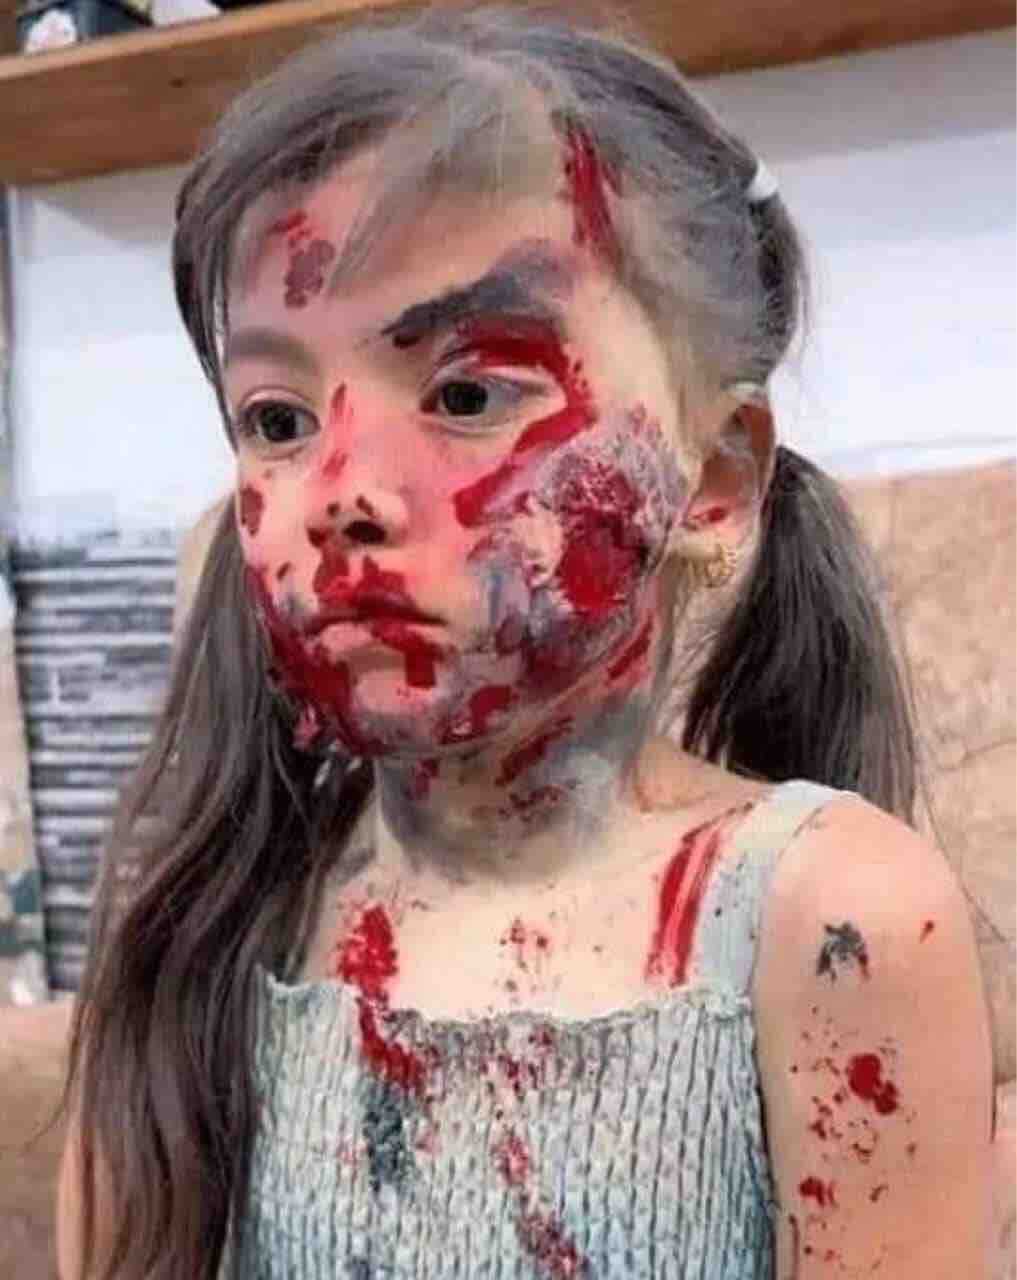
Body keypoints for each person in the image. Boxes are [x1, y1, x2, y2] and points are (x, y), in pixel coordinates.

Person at [56, 7, 996, 1278]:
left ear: (716, 480)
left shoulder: (830, 924)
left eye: (465, 393)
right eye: (276, 418)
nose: (340, 490)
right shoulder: (203, 923)